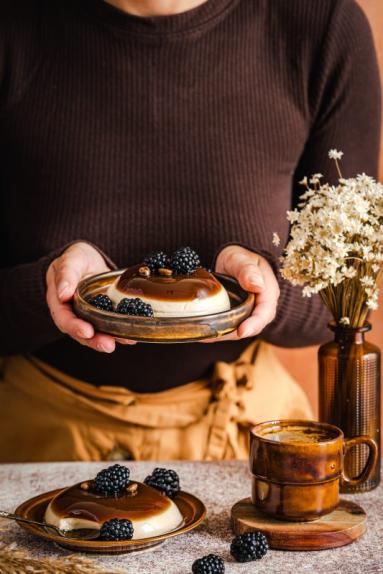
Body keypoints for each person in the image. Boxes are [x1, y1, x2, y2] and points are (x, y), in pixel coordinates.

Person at [0, 0, 380, 462]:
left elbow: (346, 298)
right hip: (36, 442)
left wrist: (264, 289)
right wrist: (47, 288)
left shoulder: (320, 25)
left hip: (246, 441)